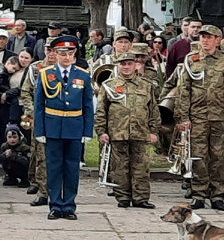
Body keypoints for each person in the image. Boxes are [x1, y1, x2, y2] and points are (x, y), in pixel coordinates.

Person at [33, 35, 95, 220]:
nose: (66, 57)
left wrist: (87, 130)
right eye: (62, 53)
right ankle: (55, 205)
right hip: (52, 127)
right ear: (55, 54)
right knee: (53, 167)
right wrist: (40, 131)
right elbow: (39, 105)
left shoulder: (83, 75)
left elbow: (88, 106)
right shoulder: (46, 74)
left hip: (74, 127)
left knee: (71, 168)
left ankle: (69, 205)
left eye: (70, 53)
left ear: (75, 53)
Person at [95, 49, 159, 209]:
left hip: (141, 132)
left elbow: (153, 109)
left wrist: (154, 131)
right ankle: (122, 197)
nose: (126, 67)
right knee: (120, 168)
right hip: (117, 132)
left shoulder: (146, 85)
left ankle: (141, 198)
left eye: (129, 64)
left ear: (135, 65)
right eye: (123, 64)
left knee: (141, 167)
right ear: (118, 65)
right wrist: (101, 131)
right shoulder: (109, 86)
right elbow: (101, 110)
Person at [175, 24, 224, 210]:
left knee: (219, 156)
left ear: (218, 40)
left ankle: (218, 194)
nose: (205, 40)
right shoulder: (192, 60)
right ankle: (199, 193)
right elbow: (184, 90)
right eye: (203, 36)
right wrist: (183, 117)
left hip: (220, 117)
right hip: (198, 117)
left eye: (209, 37)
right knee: (198, 156)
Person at [22, 38, 56, 206]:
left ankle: (53, 189)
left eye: (55, 50)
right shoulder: (36, 68)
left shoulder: (65, 70)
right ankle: (41, 188)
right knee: (39, 153)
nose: (51, 54)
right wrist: (32, 112)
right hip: (39, 118)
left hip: (59, 119)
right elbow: (25, 92)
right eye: (49, 50)